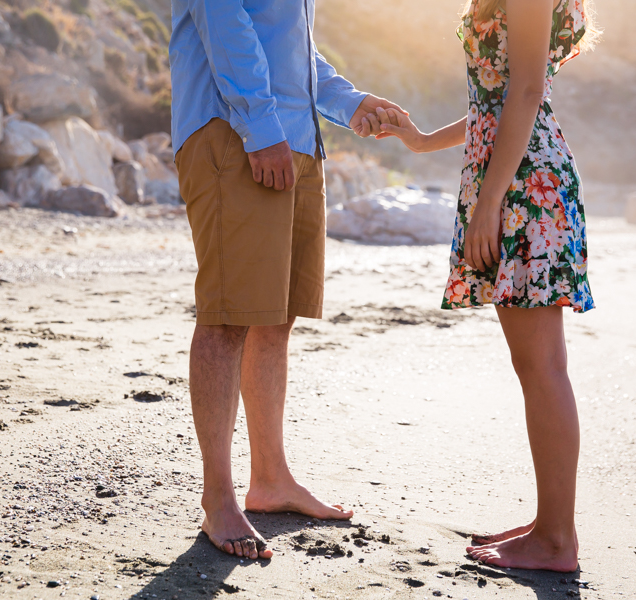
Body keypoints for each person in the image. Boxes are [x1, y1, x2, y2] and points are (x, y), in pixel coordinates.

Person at [169, 0, 404, 561]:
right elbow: (223, 19)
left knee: (275, 318)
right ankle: (218, 499)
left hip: (295, 138)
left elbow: (291, 48)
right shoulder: (252, 124)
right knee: (228, 317)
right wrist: (260, 125)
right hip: (237, 131)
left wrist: (350, 102)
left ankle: (270, 481)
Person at [371, 0, 599, 572]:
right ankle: (552, 524)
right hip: (517, 172)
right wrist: (423, 142)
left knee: (542, 366)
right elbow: (499, 100)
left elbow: (524, 94)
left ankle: (555, 539)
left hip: (523, 183)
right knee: (538, 365)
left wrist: (491, 201)